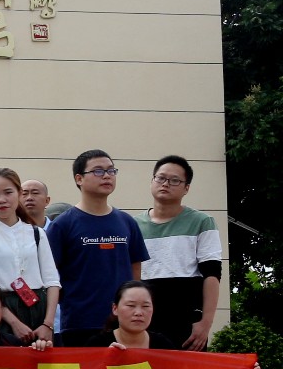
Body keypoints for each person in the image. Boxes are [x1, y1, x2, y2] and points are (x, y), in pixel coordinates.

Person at [46, 150, 149, 346]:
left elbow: (135, 269)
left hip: (121, 325)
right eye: (98, 171)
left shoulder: (127, 222)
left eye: (111, 171)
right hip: (79, 323)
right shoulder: (63, 224)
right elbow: (50, 274)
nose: (107, 176)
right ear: (79, 179)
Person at [137, 155, 224, 350]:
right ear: (152, 181)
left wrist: (206, 323)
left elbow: (212, 274)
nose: (165, 184)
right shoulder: (133, 225)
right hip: (145, 318)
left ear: (186, 188)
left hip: (186, 320)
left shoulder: (202, 222)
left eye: (174, 180)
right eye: (160, 178)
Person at [0, 168, 61, 346]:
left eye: (8, 192)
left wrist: (48, 324)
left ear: (19, 193)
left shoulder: (36, 233)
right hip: (0, 309)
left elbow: (52, 281)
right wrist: (14, 323)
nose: (2, 200)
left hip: (38, 308)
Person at [66, 280, 177, 349]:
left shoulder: (163, 345)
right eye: (131, 305)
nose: (138, 313)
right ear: (115, 308)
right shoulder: (98, 344)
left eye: (145, 306)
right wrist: (103, 359)